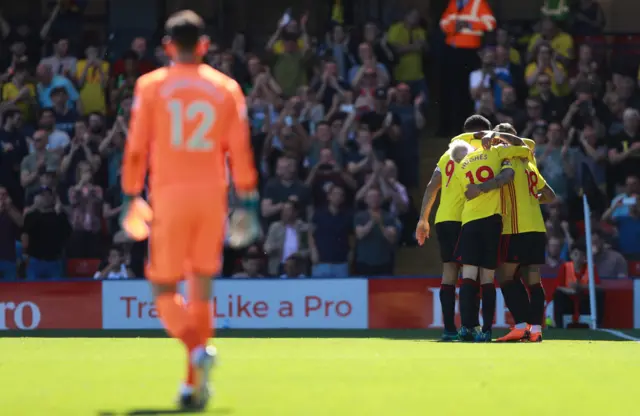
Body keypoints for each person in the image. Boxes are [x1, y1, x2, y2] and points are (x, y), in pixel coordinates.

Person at [119, 10, 259, 411]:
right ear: (203, 46)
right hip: (212, 200)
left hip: (169, 198)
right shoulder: (226, 88)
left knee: (164, 289)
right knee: (201, 290)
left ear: (167, 46)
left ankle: (197, 350)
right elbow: (240, 151)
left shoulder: (151, 86)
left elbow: (136, 149)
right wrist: (247, 201)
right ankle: (192, 386)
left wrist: (131, 196)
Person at [470, 124, 556, 342]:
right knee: (533, 280)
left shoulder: (504, 160)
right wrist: (532, 200)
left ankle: (520, 325)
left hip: (515, 228)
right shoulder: (530, 163)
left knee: (505, 276)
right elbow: (549, 195)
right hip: (536, 227)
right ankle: (535, 329)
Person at [415, 114, 491, 341]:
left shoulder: (447, 154)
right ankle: (470, 326)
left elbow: (432, 186)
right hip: (466, 219)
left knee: (449, 272)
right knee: (471, 272)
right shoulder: (478, 152)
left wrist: (423, 219)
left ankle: (449, 329)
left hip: (443, 219)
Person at [451, 132, 533, 341]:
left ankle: (467, 327)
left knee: (468, 276)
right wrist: (493, 135)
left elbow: (468, 193)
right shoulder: (493, 153)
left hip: (470, 221)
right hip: (492, 222)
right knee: (487, 278)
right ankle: (487, 330)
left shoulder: (460, 169)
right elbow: (525, 148)